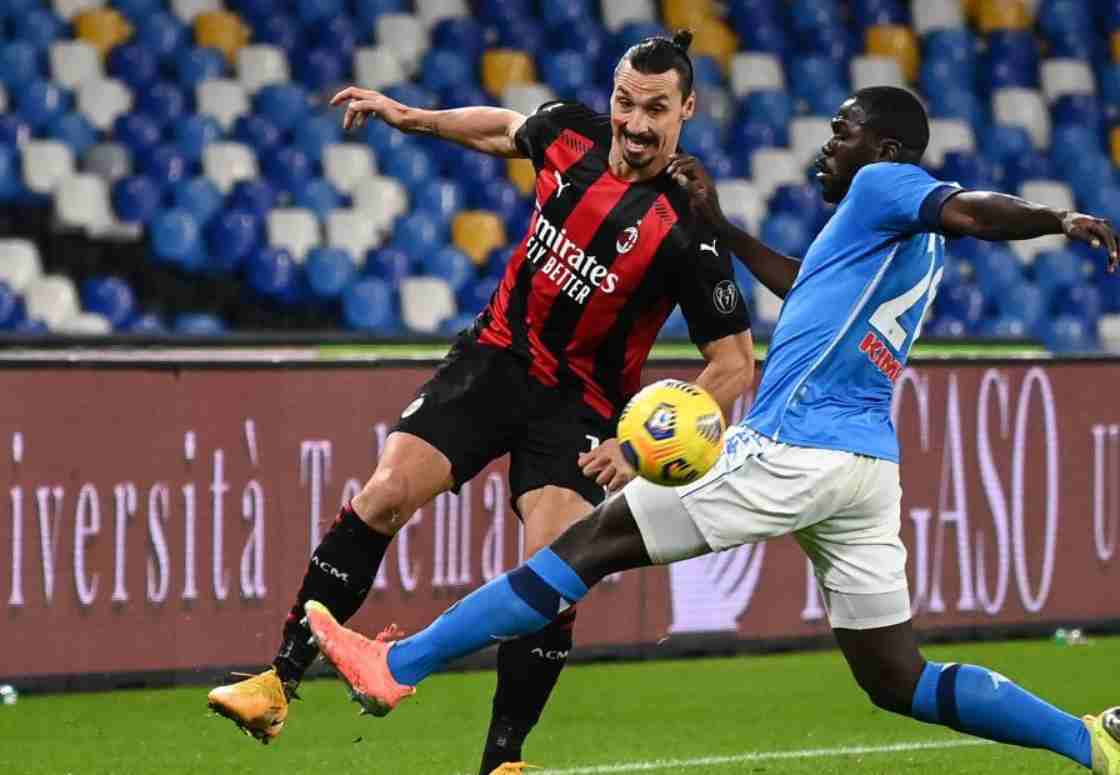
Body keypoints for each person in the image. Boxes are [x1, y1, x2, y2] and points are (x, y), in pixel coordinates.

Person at [301, 86, 1120, 775]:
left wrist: (1056, 218)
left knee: (587, 545)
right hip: (866, 467)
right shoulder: (892, 237)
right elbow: (803, 288)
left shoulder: (886, 187)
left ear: (887, 151)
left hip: (795, 445)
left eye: (845, 128)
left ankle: (399, 666)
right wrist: (717, 224)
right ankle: (1093, 741)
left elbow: (974, 209)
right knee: (899, 678)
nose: (831, 141)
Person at [207, 31, 755, 775]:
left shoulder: (688, 229)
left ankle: (503, 761)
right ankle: (276, 682)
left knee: (552, 567)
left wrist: (641, 447)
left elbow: (732, 364)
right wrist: (410, 115)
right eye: (625, 101)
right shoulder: (569, 133)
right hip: (495, 358)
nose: (634, 122)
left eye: (655, 108)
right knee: (384, 494)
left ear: (686, 108)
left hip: (582, 405)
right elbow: (504, 129)